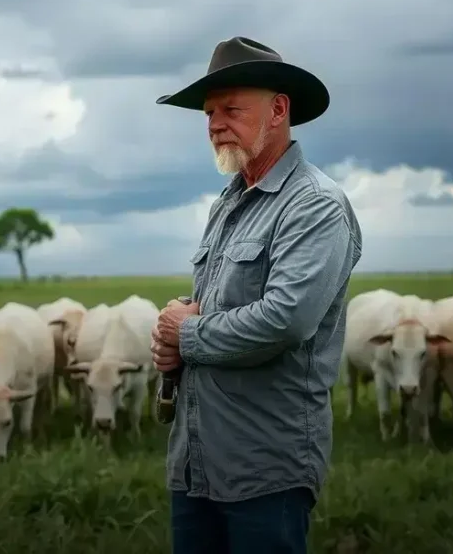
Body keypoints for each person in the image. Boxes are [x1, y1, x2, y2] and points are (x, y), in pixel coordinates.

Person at [149, 36, 364, 554]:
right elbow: (218, 302)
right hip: (196, 461)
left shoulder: (314, 205)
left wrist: (189, 333)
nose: (215, 124)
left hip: (265, 467)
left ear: (278, 111)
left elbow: (286, 319)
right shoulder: (228, 203)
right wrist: (175, 331)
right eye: (209, 113)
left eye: (231, 110)